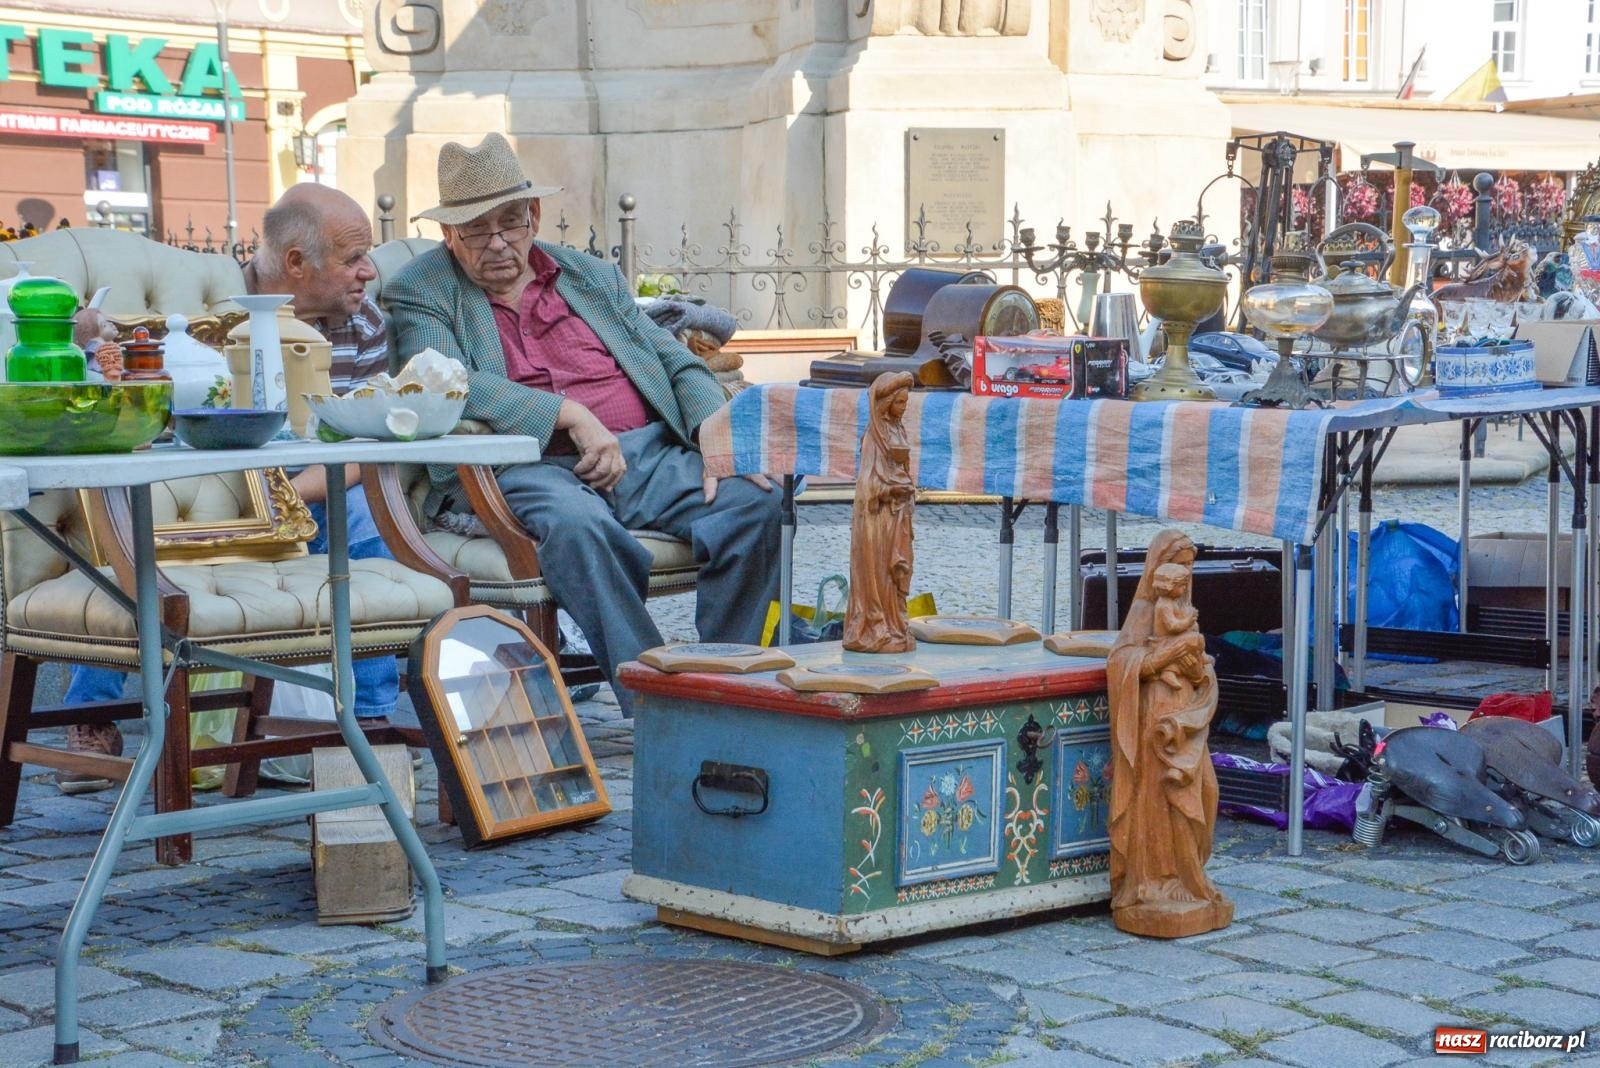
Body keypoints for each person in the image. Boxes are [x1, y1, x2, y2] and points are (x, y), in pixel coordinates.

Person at [385, 133, 781, 711]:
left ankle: (729, 686)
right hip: (525, 464)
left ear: (534, 215)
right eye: (475, 230)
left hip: (643, 456)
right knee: (578, 527)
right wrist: (569, 415)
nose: (497, 243)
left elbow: (676, 361)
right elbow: (444, 378)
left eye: (511, 223)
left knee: (757, 499)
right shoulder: (421, 290)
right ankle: (655, 699)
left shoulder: (589, 276)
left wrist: (712, 431)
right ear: (448, 234)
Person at [59, 185, 397, 794]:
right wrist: (82, 333)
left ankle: (369, 716)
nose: (368, 272)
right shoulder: (208, 314)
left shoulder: (362, 322)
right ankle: (91, 712)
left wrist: (287, 498)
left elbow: (363, 448)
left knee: (363, 518)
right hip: (198, 483)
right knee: (140, 525)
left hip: (311, 485)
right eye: (353, 258)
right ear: (296, 263)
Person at [1105, 530, 1232, 938]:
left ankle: (1189, 874)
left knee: (1205, 791)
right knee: (1162, 799)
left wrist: (1197, 667)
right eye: (1181, 565)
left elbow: (1199, 666)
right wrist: (1168, 656)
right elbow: (1122, 663)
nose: (1188, 575)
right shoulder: (1147, 609)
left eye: (1192, 567)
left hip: (1186, 718)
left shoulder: (1182, 609)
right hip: (1155, 717)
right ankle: (1157, 882)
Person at [842, 372, 916, 654]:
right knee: (878, 573)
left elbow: (903, 469)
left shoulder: (898, 430)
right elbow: (868, 487)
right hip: (877, 519)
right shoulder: (874, 438)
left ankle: (896, 625)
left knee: (897, 572)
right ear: (885, 403)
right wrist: (891, 488)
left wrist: (905, 487)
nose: (903, 408)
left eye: (905, 403)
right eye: (899, 403)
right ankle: (875, 626)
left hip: (896, 516)